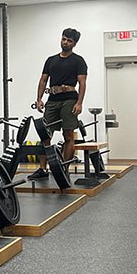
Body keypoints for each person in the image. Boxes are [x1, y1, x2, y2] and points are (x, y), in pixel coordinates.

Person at [29, 28, 87, 180]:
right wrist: (39, 99)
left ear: (74, 44)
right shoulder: (51, 60)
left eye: (69, 41)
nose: (65, 42)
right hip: (53, 100)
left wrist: (79, 103)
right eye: (64, 39)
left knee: (68, 135)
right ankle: (42, 169)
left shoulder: (78, 60)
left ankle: (64, 169)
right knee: (45, 134)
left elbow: (82, 83)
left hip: (69, 99)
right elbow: (43, 80)